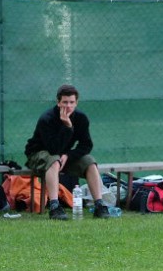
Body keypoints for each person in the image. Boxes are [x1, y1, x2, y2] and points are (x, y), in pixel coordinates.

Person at [24, 84, 111, 220]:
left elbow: (86, 145)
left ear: (76, 103)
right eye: (65, 102)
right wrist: (68, 126)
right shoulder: (47, 119)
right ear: (58, 102)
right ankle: (54, 207)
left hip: (62, 155)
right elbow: (53, 149)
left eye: (71, 102)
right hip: (38, 153)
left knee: (90, 162)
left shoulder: (81, 118)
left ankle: (100, 205)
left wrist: (68, 155)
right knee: (54, 161)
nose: (68, 106)